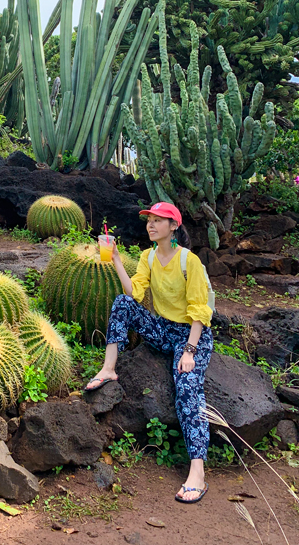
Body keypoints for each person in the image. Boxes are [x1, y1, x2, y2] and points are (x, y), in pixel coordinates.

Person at [85, 202, 213, 504]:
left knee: (187, 390)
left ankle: (198, 472)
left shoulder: (188, 261)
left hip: (192, 335)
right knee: (122, 303)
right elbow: (134, 293)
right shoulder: (148, 256)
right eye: (150, 220)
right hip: (165, 329)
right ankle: (109, 368)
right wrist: (116, 259)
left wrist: (189, 352)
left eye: (159, 220)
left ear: (173, 227)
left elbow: (200, 310)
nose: (151, 225)